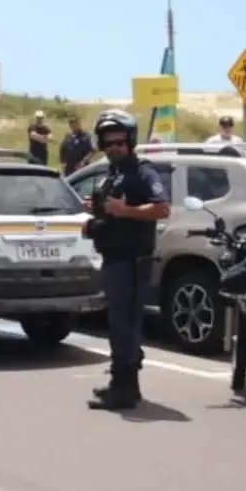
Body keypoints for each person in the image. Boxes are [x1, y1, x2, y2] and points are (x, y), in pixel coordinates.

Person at [84, 110, 170, 411]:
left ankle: (125, 388)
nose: (114, 148)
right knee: (118, 323)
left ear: (130, 141)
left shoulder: (143, 172)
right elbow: (110, 212)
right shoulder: (114, 173)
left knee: (126, 324)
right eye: (108, 143)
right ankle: (122, 384)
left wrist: (125, 211)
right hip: (114, 257)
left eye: (120, 142)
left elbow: (161, 209)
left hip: (132, 261)